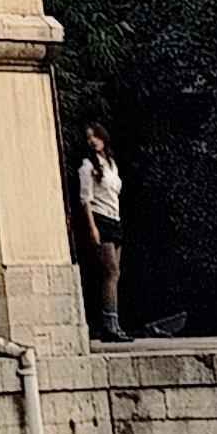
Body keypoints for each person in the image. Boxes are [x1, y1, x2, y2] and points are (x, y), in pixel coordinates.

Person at [74, 119, 127, 340]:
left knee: (115, 273)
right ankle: (109, 324)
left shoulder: (111, 164)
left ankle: (113, 322)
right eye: (88, 138)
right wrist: (92, 228)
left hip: (114, 219)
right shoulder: (87, 166)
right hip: (100, 218)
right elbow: (85, 199)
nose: (92, 141)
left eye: (94, 135)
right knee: (110, 271)